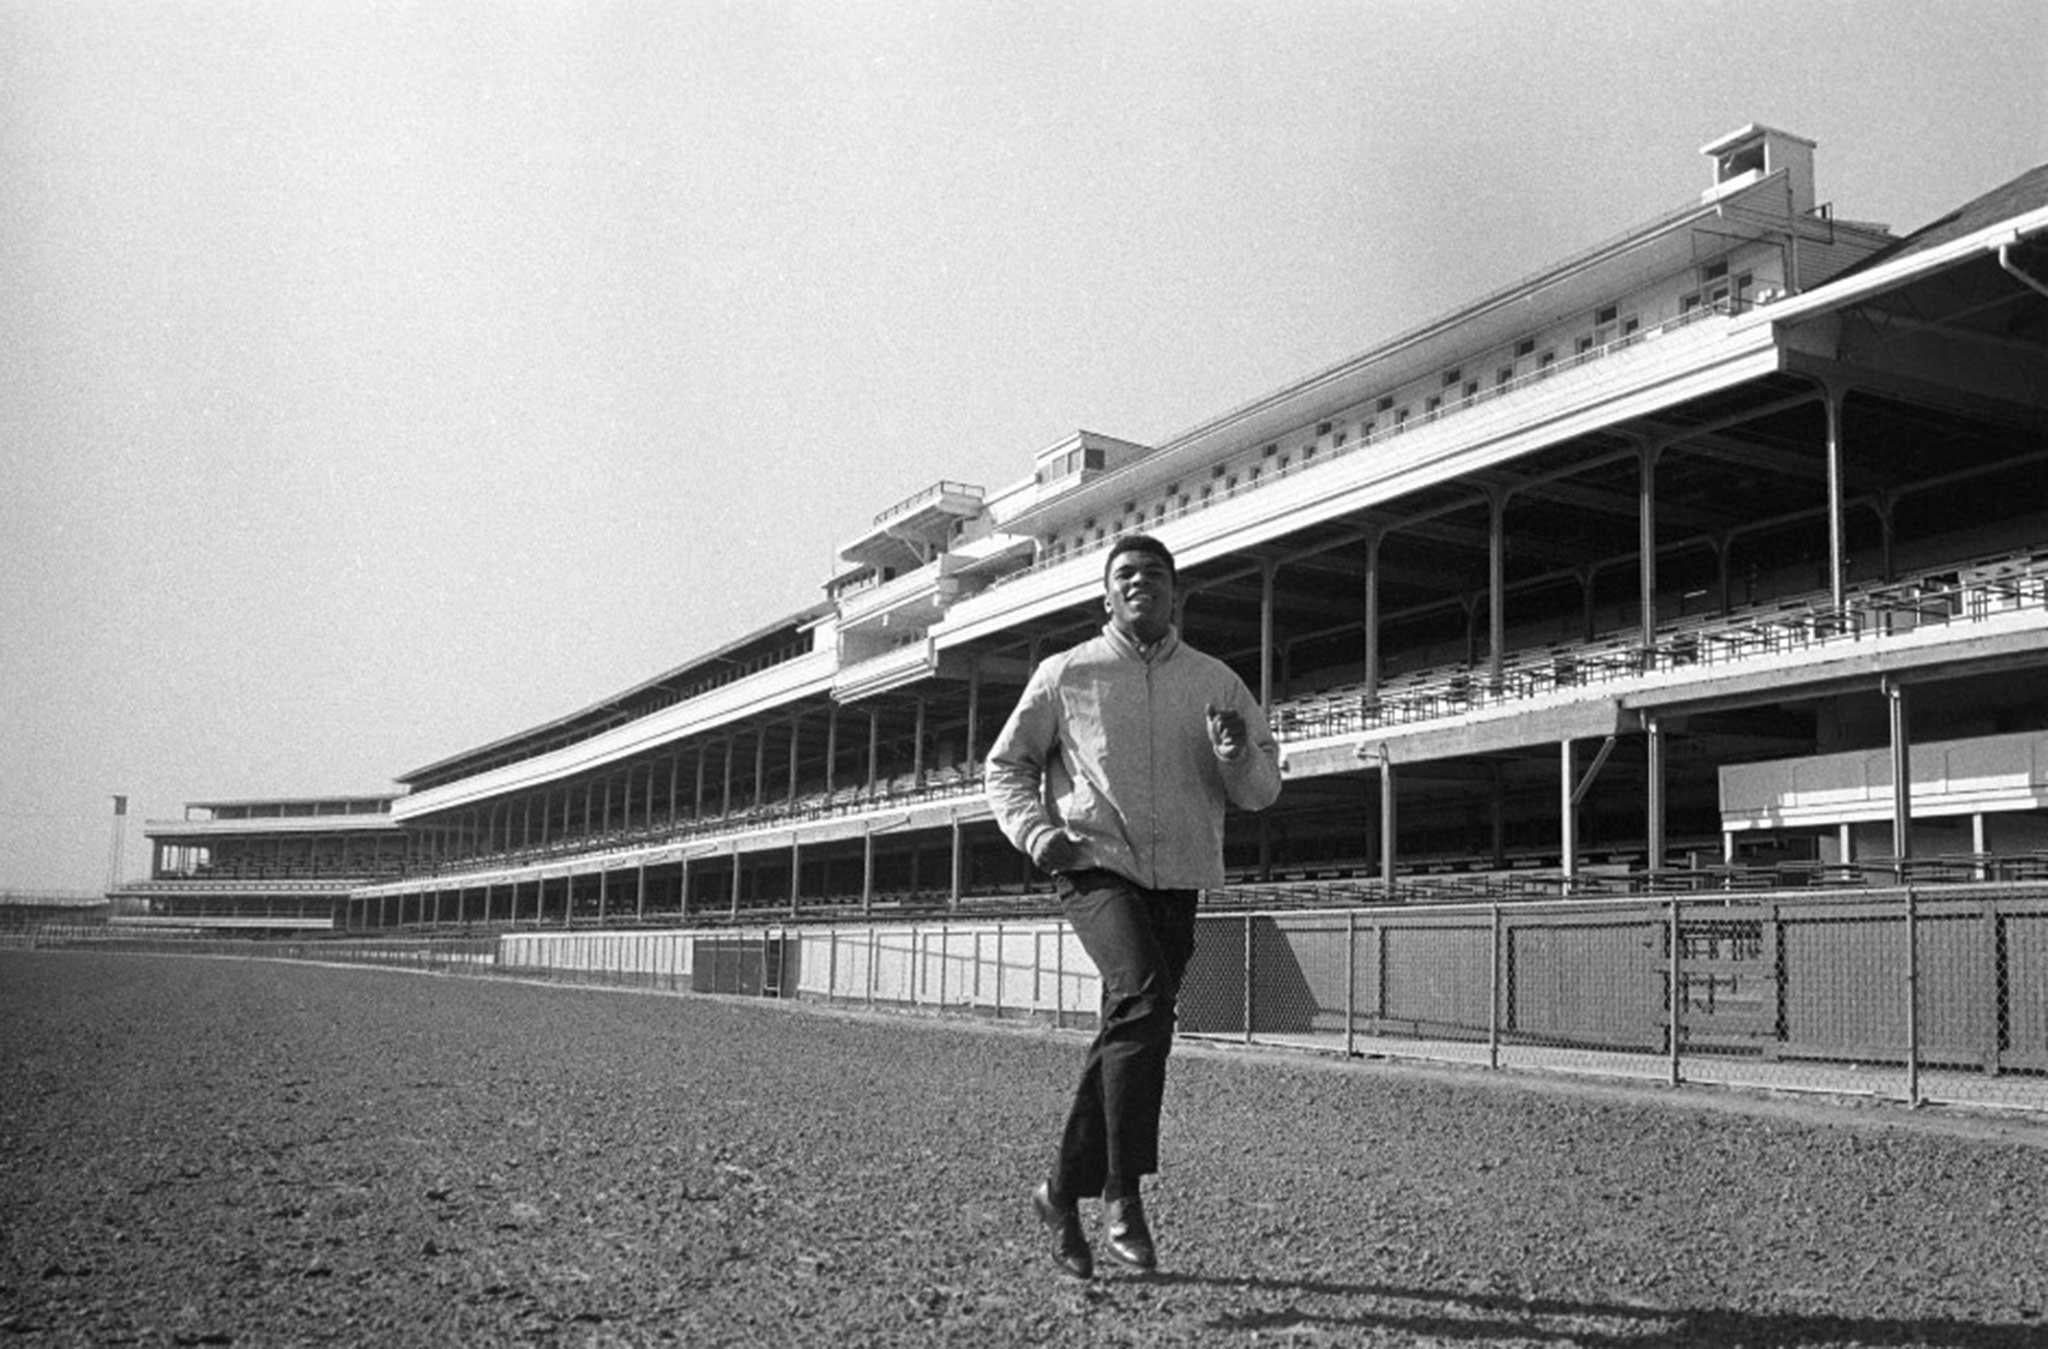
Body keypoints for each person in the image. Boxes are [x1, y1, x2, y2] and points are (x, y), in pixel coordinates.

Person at [985, 534, 1282, 1278]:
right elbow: (1006, 764)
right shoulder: (1066, 674)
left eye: (1154, 572)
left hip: (1179, 875)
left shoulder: (1216, 681)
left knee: (1134, 1024)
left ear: (1175, 592)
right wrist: (1034, 830)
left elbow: (1261, 791)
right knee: (1145, 1000)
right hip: (1093, 865)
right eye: (1126, 574)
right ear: (1106, 597)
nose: (1140, 581)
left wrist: (1234, 753)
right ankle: (1122, 1194)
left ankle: (1058, 1192)